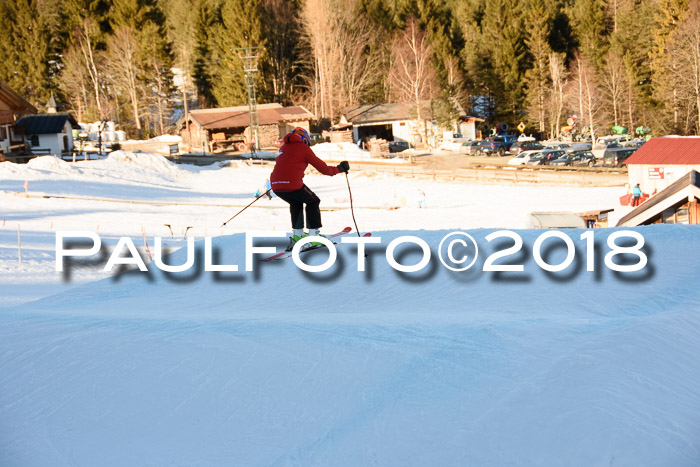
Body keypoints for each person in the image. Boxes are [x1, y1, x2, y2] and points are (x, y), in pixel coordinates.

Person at [270, 127, 349, 251]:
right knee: (313, 201)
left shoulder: (283, 148)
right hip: (292, 184)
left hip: (276, 185)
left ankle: (297, 236)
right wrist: (340, 168)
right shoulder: (304, 148)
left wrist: (280, 182)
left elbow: (284, 166)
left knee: (296, 202)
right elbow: (324, 169)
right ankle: (313, 238)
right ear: (305, 139)